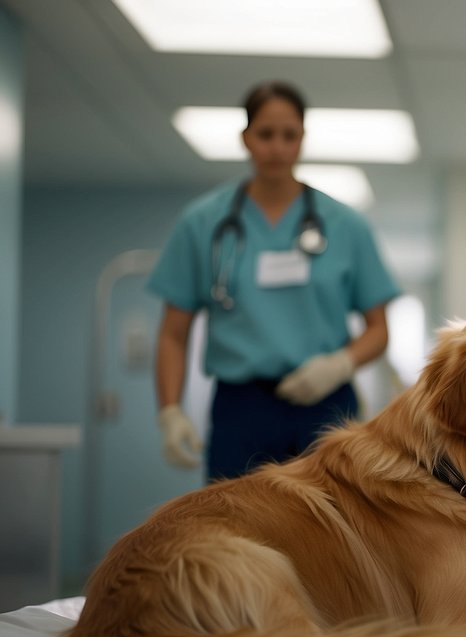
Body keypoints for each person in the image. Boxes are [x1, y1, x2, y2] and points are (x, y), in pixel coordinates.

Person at [149, 81, 399, 481]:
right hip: (241, 407)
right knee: (234, 531)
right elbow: (172, 334)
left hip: (326, 403)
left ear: (303, 139)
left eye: (289, 136)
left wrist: (339, 365)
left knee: (333, 532)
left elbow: (379, 329)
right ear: (245, 138)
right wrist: (169, 411)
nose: (277, 148)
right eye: (265, 135)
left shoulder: (345, 225)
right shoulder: (203, 223)